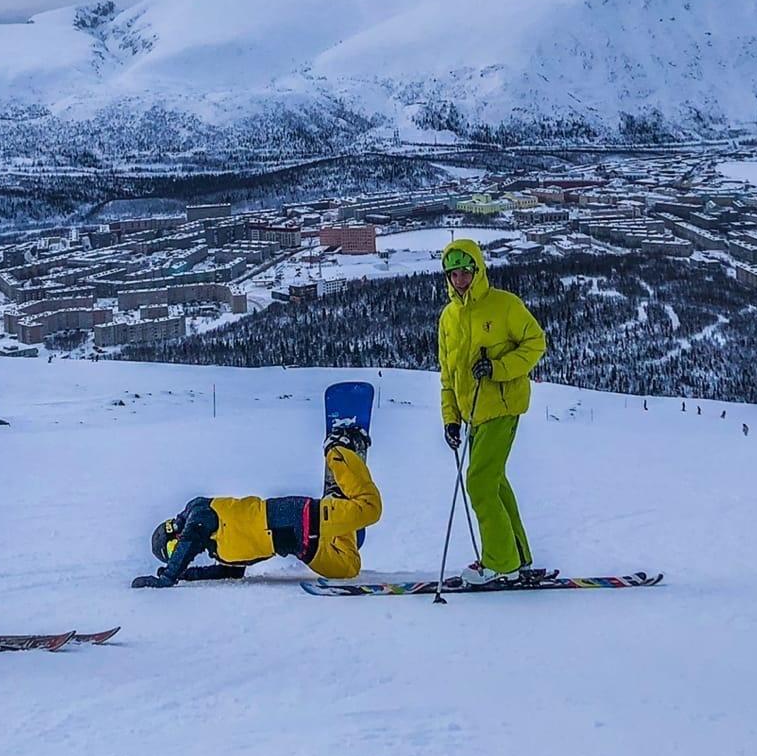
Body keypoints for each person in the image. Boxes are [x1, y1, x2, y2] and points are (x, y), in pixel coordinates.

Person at [142, 421, 382, 586]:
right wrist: (184, 574)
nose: (179, 553)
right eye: (173, 556)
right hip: (300, 547)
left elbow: (192, 537)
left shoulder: (198, 511)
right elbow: (229, 573)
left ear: (173, 529)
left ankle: (337, 448)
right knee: (348, 569)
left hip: (297, 517)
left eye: (174, 550)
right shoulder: (220, 550)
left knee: (370, 508)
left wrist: (169, 576)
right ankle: (337, 498)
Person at [438, 238, 546, 586]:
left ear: (478, 270)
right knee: (495, 483)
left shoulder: (503, 305)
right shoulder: (449, 317)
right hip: (472, 414)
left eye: (465, 272)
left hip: (502, 406)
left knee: (480, 483)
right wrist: (450, 418)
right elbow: (447, 374)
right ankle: (517, 555)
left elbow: (536, 342)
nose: (459, 280)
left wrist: (499, 368)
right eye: (453, 274)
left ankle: (500, 563)